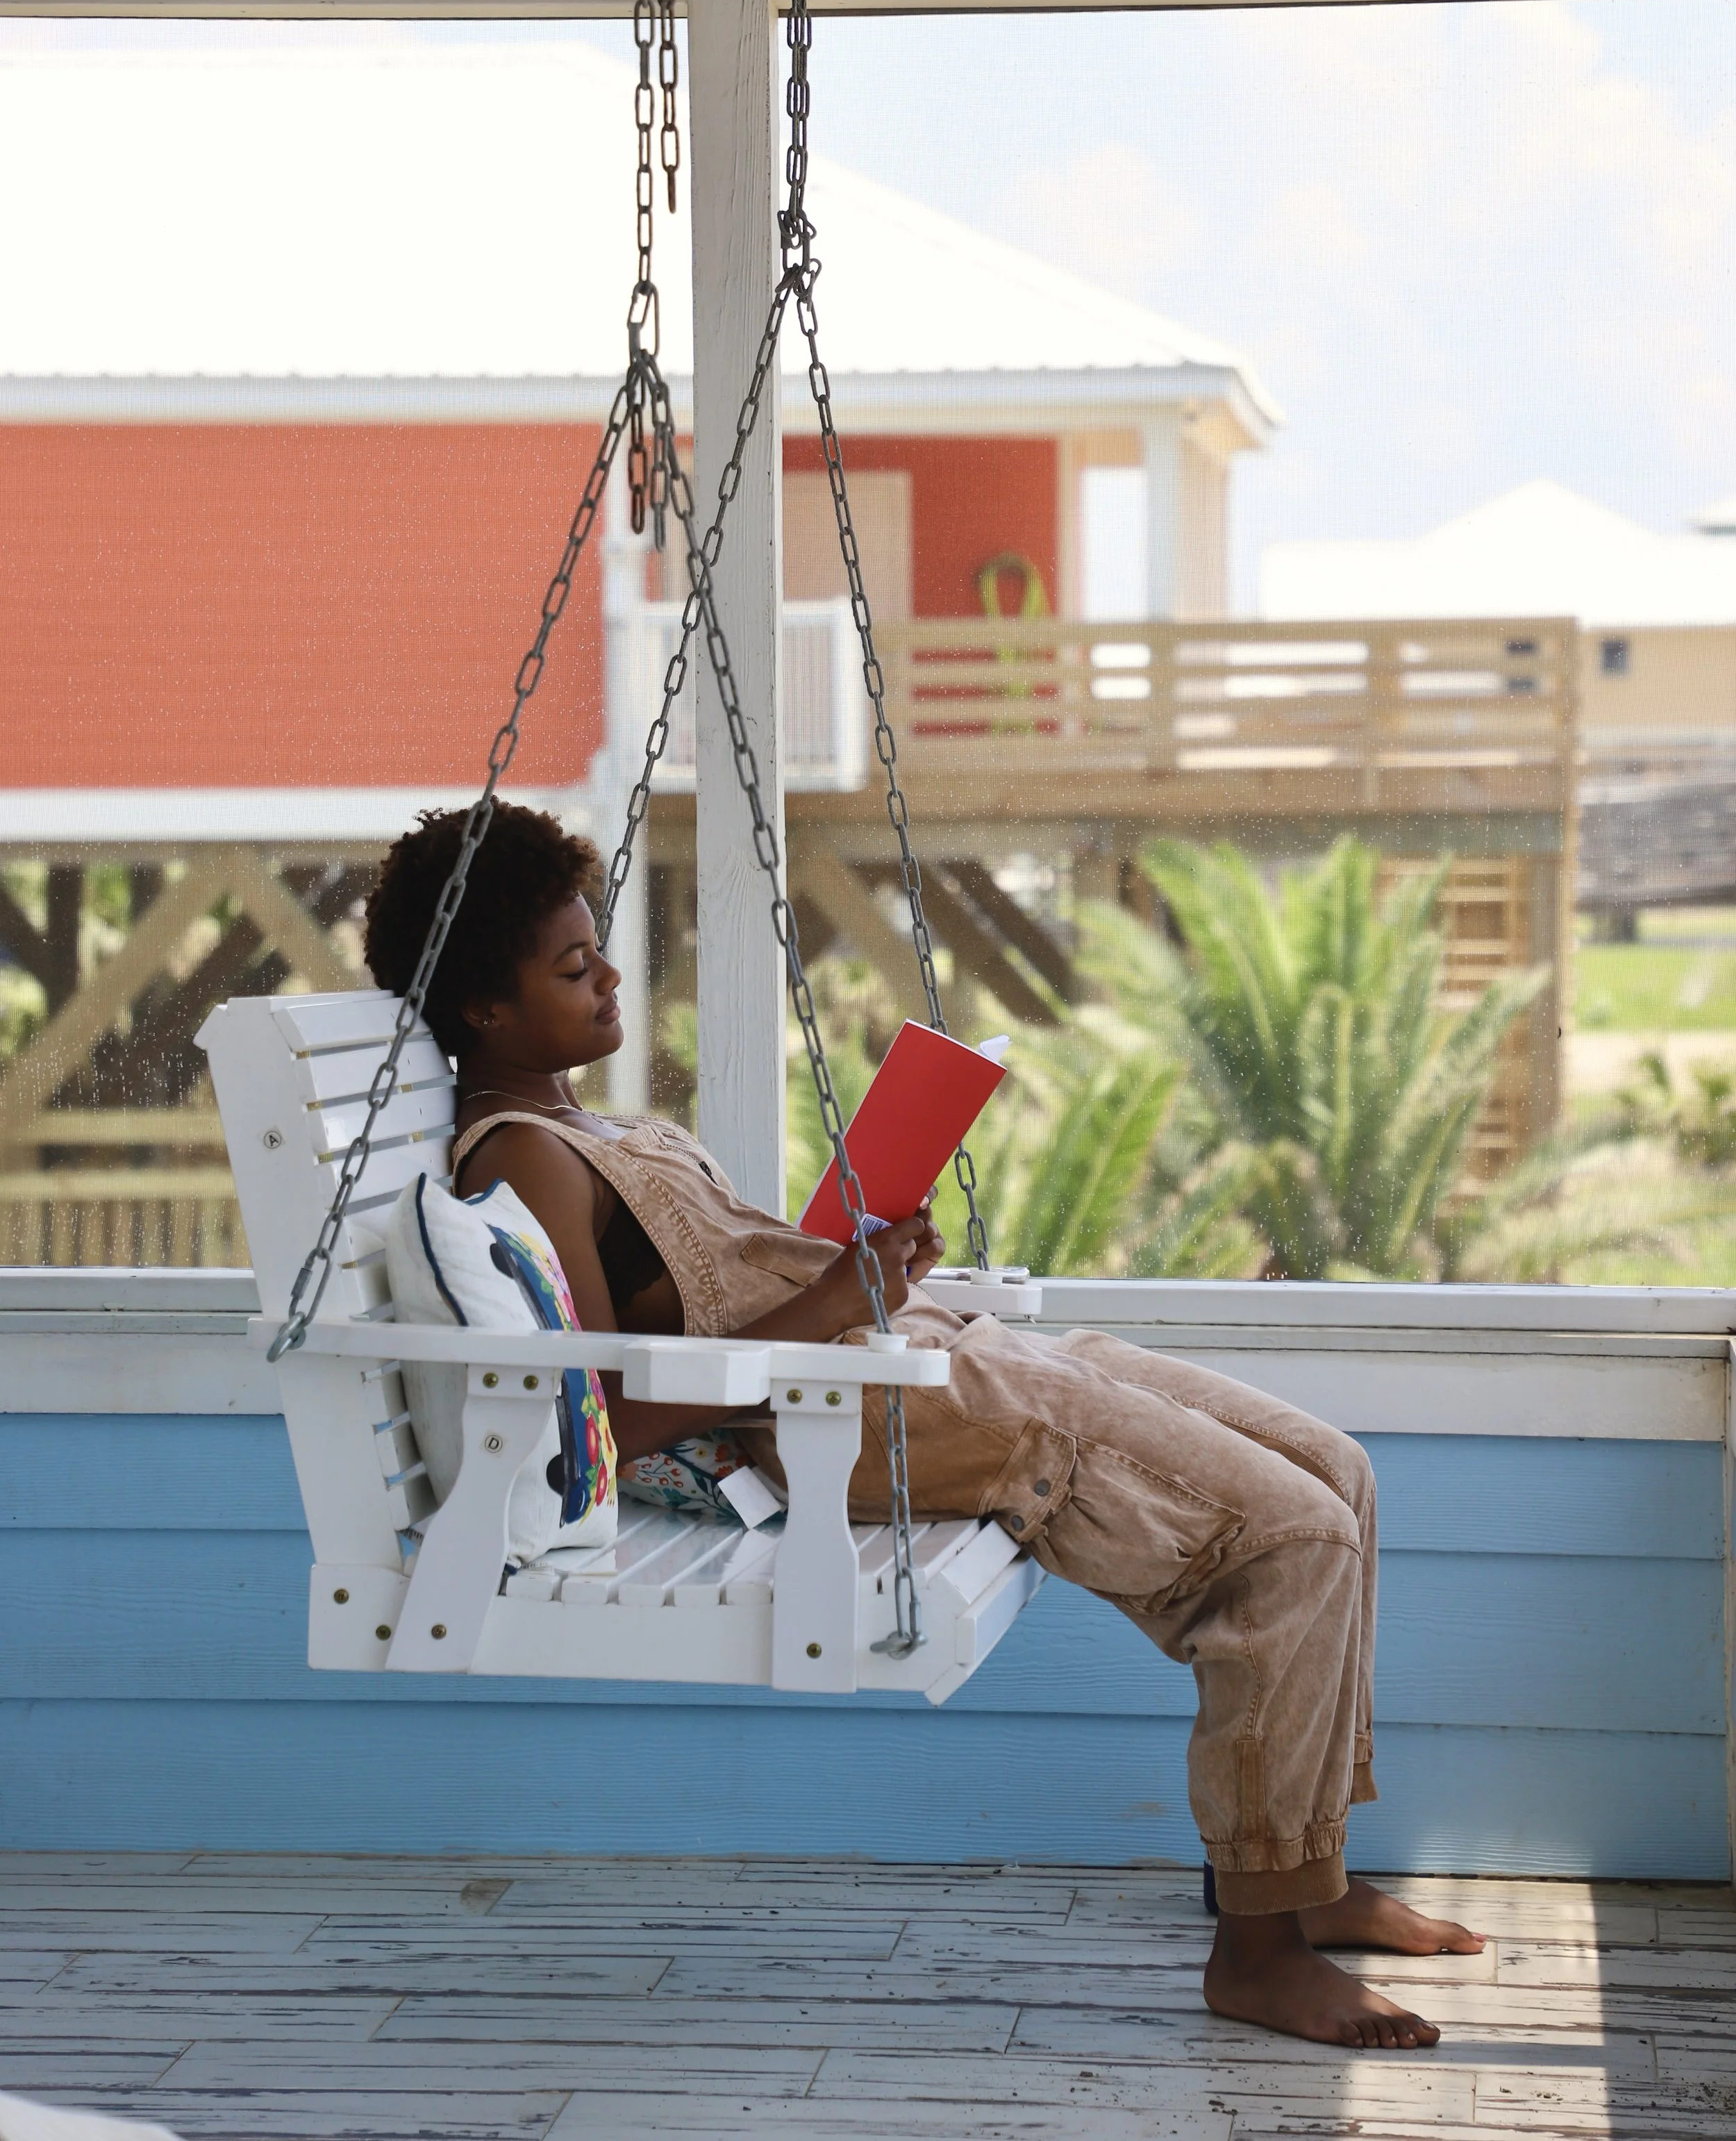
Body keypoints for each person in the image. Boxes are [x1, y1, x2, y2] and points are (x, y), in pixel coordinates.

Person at [365, 802, 1483, 2049]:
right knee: (1294, 1535)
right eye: (574, 968)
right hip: (843, 1417)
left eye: (600, 948)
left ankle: (1304, 1875)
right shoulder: (521, 1158)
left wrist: (856, 1259)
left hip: (911, 1349)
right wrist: (840, 1300)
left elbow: (698, 1288)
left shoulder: (586, 1122)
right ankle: (1258, 1948)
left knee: (1338, 1469)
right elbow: (606, 1411)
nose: (611, 975)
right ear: (481, 1008)